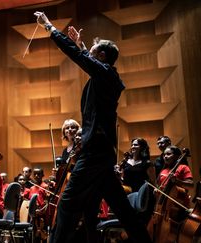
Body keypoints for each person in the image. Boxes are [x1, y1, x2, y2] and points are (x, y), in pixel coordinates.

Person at [35, 12, 152, 243]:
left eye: (94, 50)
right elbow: (91, 61)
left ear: (101, 56)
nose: (89, 52)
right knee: (120, 209)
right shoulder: (106, 74)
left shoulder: (105, 73)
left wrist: (49, 26)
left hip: (95, 152)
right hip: (102, 153)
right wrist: (85, 47)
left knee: (67, 203)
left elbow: (80, 58)